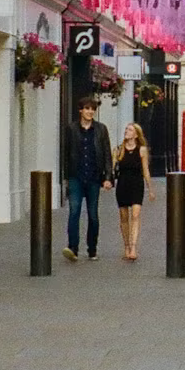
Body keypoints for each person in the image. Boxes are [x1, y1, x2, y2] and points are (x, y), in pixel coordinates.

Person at [61, 95, 114, 261]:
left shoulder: (101, 129)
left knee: (93, 214)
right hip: (76, 175)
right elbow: (66, 153)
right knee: (74, 211)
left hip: (93, 176)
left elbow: (106, 154)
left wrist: (107, 177)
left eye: (93, 109)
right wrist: (66, 176)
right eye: (87, 109)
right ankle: (73, 248)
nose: (90, 112)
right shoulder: (71, 129)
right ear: (80, 110)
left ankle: (92, 248)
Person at [113, 122, 155, 262]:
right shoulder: (118, 150)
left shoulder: (141, 150)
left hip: (137, 184)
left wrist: (150, 189)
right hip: (123, 185)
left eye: (130, 130)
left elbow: (145, 170)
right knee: (124, 217)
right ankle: (126, 245)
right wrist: (107, 180)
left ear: (136, 134)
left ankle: (133, 247)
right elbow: (112, 169)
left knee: (135, 215)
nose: (126, 131)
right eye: (126, 129)